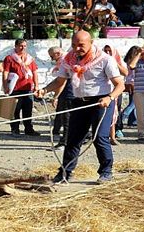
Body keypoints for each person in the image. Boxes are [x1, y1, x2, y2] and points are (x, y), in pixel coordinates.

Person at [37, 31, 125, 184]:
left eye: (81, 45)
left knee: (100, 138)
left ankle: (106, 171)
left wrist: (109, 97)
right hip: (79, 101)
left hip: (100, 102)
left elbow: (120, 85)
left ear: (91, 43)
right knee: (73, 139)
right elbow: (59, 82)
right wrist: (44, 90)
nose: (76, 49)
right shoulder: (68, 59)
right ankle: (66, 172)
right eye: (73, 45)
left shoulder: (105, 59)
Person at [1, 38, 39, 136]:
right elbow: (5, 72)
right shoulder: (9, 58)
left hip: (28, 88)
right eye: (21, 46)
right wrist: (5, 86)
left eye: (25, 46)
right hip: (15, 88)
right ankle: (15, 129)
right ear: (16, 46)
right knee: (15, 110)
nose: (23, 48)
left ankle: (28, 129)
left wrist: (36, 86)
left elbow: (34, 72)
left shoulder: (29, 59)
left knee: (28, 110)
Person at [48, 46, 73, 147]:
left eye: (52, 56)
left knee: (66, 118)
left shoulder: (63, 61)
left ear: (57, 54)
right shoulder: (68, 58)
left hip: (68, 91)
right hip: (70, 91)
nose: (52, 59)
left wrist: (55, 96)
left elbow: (61, 81)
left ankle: (64, 142)